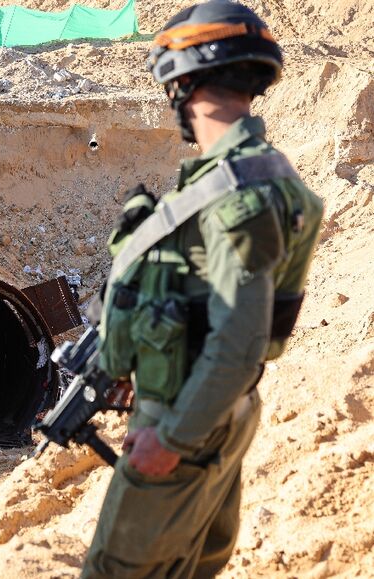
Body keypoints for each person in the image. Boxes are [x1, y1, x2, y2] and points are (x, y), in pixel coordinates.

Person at [82, 2, 323, 577]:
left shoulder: (237, 194)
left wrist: (170, 439)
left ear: (183, 80)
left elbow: (239, 343)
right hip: (215, 413)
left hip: (186, 419)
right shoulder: (258, 176)